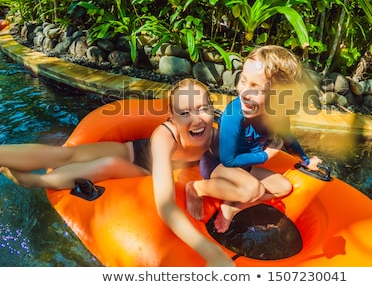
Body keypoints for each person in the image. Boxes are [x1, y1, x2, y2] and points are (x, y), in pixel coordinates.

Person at [0, 78, 234, 267]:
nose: (196, 119)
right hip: (136, 153)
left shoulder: (218, 139)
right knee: (66, 155)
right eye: (184, 113)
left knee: (109, 164)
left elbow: (250, 170)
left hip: (143, 173)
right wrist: (211, 252)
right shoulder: (165, 136)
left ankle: (35, 180)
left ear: (213, 110)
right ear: (171, 117)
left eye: (203, 109)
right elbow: (166, 206)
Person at [186, 45, 322, 233]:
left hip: (242, 166)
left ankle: (232, 207)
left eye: (256, 88)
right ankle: (196, 188)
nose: (245, 92)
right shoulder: (234, 114)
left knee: (283, 187)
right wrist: (265, 156)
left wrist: (306, 160)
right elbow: (228, 159)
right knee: (254, 190)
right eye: (243, 81)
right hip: (218, 164)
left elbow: (288, 140)